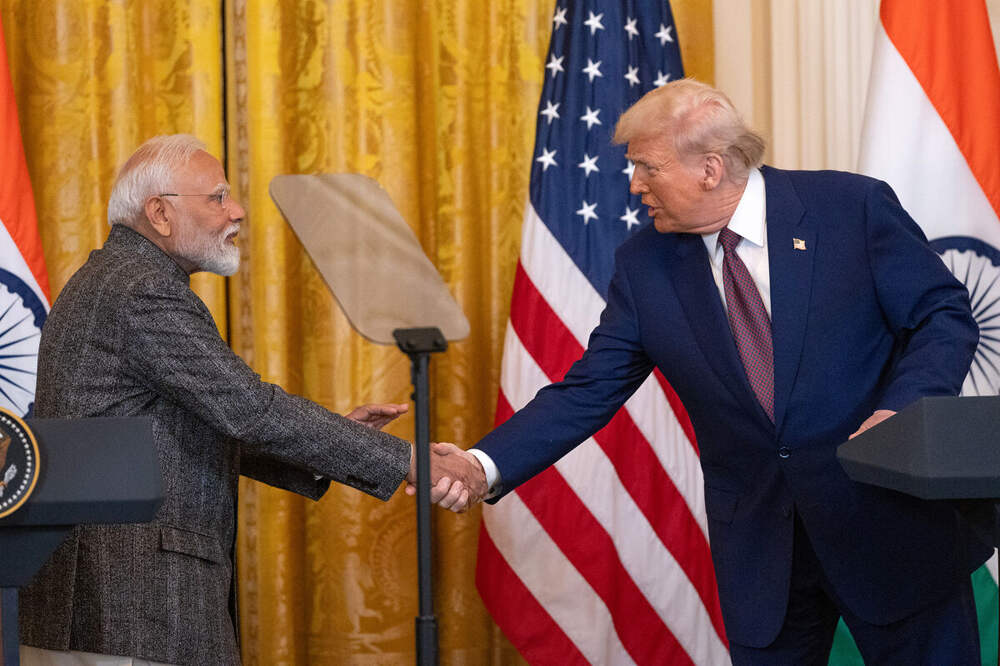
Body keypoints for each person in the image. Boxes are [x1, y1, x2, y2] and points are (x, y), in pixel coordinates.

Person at [439, 79, 990, 663]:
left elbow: (943, 315)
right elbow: (588, 389)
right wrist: (481, 464)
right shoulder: (644, 265)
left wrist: (901, 411)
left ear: (710, 168)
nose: (634, 185)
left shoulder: (850, 208)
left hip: (889, 525)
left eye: (648, 167)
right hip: (763, 552)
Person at [18, 135, 426, 666]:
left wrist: (335, 442)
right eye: (217, 197)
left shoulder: (108, 279)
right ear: (160, 213)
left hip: (101, 612)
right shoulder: (143, 289)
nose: (236, 211)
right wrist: (406, 460)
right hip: (132, 613)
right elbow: (249, 410)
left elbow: (187, 426)